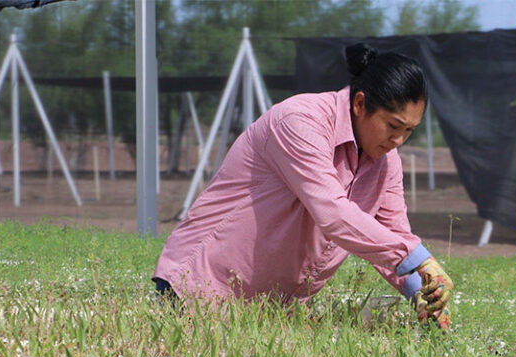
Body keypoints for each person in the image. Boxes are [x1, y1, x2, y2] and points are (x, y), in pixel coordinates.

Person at [152, 43, 453, 329]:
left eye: (409, 131)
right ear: (360, 103)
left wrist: (423, 293)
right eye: (393, 126)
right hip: (197, 290)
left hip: (267, 310)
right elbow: (333, 214)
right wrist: (417, 259)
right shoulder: (300, 121)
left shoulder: (387, 161)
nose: (398, 140)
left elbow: (394, 234)